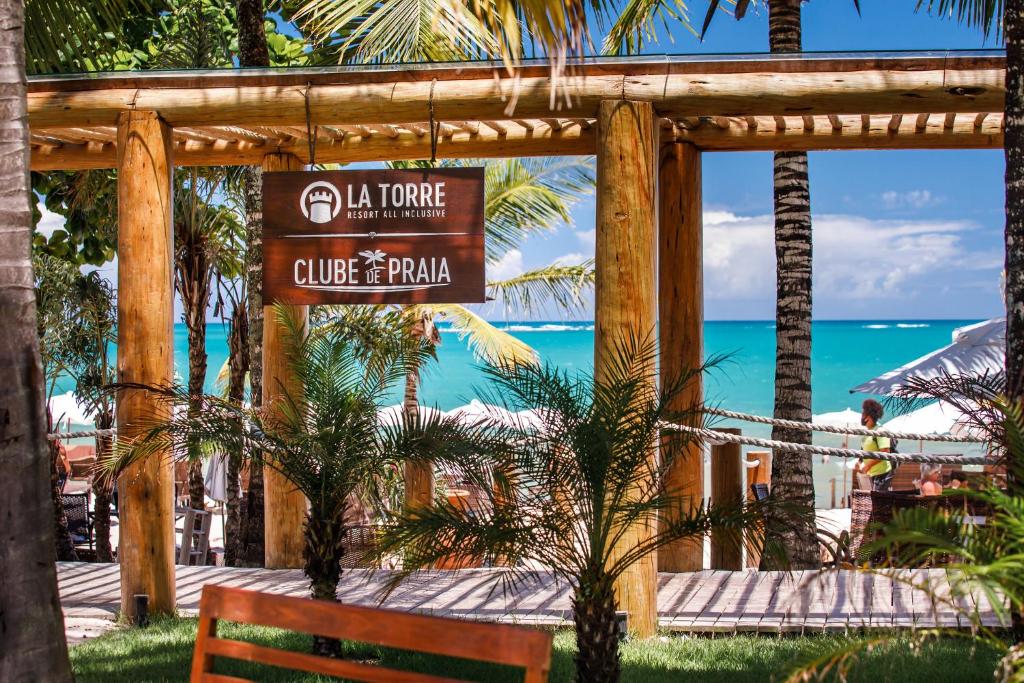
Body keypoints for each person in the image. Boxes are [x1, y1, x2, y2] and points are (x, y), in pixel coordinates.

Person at [855, 399, 893, 491]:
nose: (861, 415)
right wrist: (859, 462)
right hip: (871, 474)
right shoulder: (867, 432)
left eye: (863, 413)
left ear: (868, 417)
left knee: (877, 502)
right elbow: (864, 451)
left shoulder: (880, 431)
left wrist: (868, 466)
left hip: (882, 474)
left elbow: (885, 452)